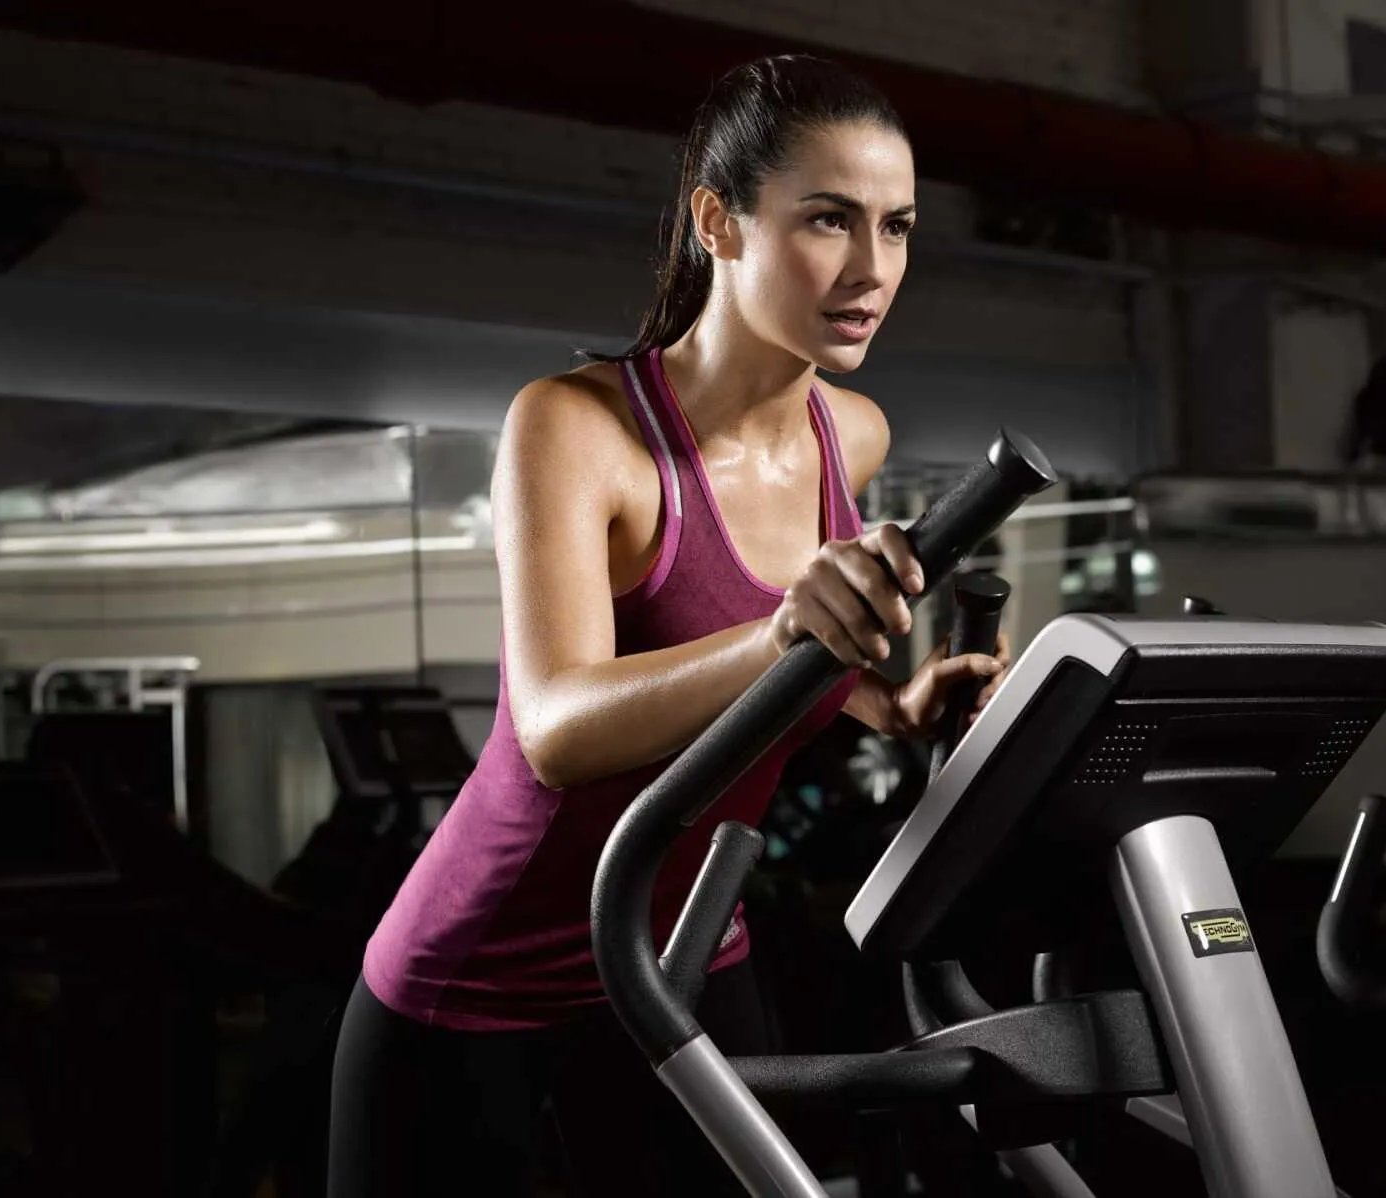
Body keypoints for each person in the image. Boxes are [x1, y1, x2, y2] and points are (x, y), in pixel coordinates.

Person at [327, 53, 1012, 1198]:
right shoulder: (577, 427)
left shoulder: (854, 434)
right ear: (718, 222)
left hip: (684, 957)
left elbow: (774, 656)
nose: (871, 269)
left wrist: (885, 703)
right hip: (480, 981)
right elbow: (555, 726)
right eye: (829, 221)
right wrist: (793, 635)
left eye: (896, 228)